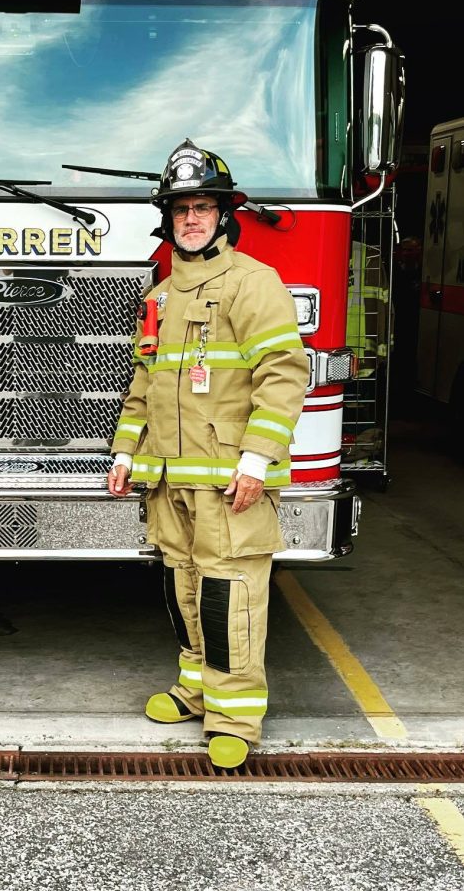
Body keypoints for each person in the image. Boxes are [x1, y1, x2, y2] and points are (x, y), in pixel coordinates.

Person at [108, 138, 307, 769]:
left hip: (228, 478)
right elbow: (145, 382)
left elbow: (284, 373)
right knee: (183, 587)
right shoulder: (163, 295)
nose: (191, 218)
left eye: (203, 207)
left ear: (225, 215)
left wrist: (256, 460)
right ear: (168, 219)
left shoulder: (254, 283)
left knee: (231, 593)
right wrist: (125, 451)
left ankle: (236, 714)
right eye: (180, 208)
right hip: (170, 478)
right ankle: (196, 688)